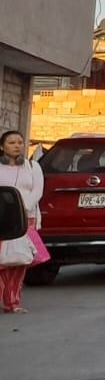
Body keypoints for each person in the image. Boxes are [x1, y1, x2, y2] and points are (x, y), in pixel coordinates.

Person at [0, 130, 44, 314]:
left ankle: (13, 302)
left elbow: (37, 191)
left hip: (26, 218)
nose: (17, 145)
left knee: (19, 261)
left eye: (19, 142)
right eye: (11, 142)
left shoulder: (32, 166)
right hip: (2, 219)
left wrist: (23, 207)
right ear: (2, 146)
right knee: (2, 261)